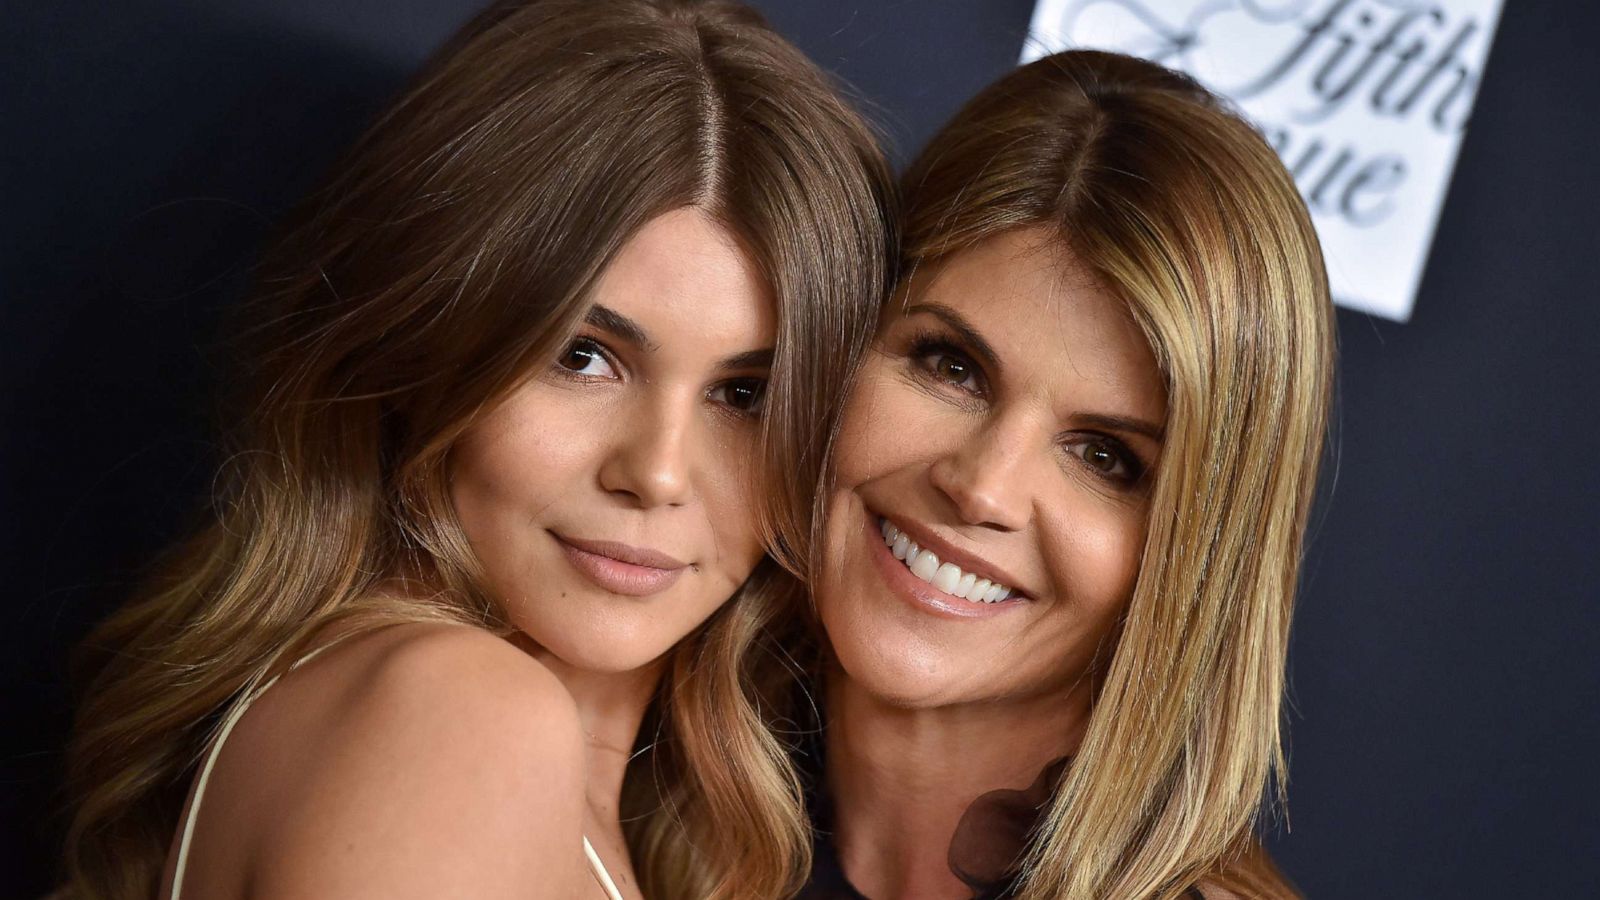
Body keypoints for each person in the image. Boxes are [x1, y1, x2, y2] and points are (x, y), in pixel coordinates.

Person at [62, 1, 892, 898]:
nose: (655, 473)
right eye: (582, 357)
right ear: (425, 342)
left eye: (747, 395)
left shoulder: (551, 774)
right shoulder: (461, 716)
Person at [798, 50, 1334, 899]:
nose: (983, 488)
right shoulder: (626, 789)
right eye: (951, 367)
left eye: (1106, 458)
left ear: (1203, 552)